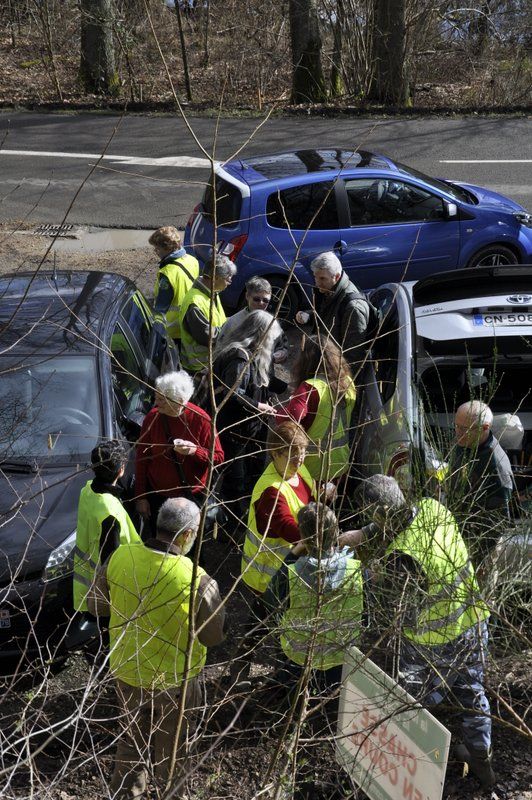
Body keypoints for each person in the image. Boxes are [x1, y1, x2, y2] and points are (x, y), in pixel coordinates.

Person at [351, 474, 494, 789]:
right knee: (472, 693)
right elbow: (397, 519)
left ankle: (408, 776)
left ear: (378, 514)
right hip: (473, 620)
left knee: (411, 705)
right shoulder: (432, 507)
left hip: (436, 641)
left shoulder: (403, 557)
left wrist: (370, 573)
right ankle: (479, 754)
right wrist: (363, 534)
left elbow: (395, 612)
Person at [88, 497, 225, 800]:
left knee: (129, 750)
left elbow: (96, 605)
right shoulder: (197, 579)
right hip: (175, 684)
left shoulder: (120, 557)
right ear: (188, 535)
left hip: (127, 673)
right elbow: (213, 637)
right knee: (173, 757)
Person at [264, 502, 364, 700]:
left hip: (299, 660)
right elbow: (366, 614)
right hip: (341, 656)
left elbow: (270, 601)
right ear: (336, 532)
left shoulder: (291, 574)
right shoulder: (357, 571)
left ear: (303, 537)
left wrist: (292, 555)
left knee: (296, 701)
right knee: (331, 704)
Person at [211, 309, 285, 523]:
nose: (273, 343)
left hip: (250, 428)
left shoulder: (254, 353)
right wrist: (259, 406)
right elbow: (232, 393)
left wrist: (291, 387)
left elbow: (264, 380)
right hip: (235, 429)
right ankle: (232, 523)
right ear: (261, 334)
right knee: (235, 479)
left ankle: (248, 513)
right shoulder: (238, 357)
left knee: (253, 470)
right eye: (271, 338)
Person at [135, 371, 224, 534]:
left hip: (190, 498)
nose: (156, 403)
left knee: (186, 541)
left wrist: (195, 451)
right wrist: (141, 496)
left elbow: (218, 458)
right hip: (158, 497)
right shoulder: (153, 418)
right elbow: (142, 457)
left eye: (161, 400)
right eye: (156, 397)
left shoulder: (202, 420)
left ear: (180, 402)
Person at [73, 441, 141, 645]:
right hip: (107, 585)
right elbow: (111, 560)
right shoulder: (110, 512)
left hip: (88, 576)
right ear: (121, 470)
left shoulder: (87, 490)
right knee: (110, 631)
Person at [241, 420, 318, 595]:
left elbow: (309, 496)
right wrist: (322, 538)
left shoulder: (297, 470)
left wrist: (322, 491)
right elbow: (286, 526)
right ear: (275, 453)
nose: (300, 460)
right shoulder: (271, 492)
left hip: (289, 570)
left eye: (303, 452)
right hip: (268, 579)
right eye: (292, 454)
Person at [279, 335, 356, 481]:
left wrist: (277, 412)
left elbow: (288, 421)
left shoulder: (310, 388)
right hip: (340, 462)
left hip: (311, 469)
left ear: (306, 359)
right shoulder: (348, 382)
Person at [447, 400, 514, 565]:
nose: (457, 432)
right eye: (456, 426)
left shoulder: (495, 468)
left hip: (479, 545)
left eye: (464, 429)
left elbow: (497, 524)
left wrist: (478, 559)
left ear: (485, 428)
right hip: (458, 533)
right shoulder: (466, 441)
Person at [295, 251, 375, 372]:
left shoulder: (353, 307)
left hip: (335, 374)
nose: (317, 283)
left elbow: (353, 356)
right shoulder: (329, 290)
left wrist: (340, 384)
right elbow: (328, 315)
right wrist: (310, 316)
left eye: (322, 278)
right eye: (315, 277)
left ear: (336, 277)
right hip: (324, 363)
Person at [177, 254, 236, 373]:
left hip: (211, 363)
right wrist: (233, 330)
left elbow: (218, 321)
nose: (230, 281)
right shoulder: (195, 303)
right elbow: (207, 337)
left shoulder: (212, 292)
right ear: (215, 278)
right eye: (227, 278)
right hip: (198, 368)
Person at [220, 276, 289, 363]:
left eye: (265, 300)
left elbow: (282, 345)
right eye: (256, 299)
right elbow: (220, 352)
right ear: (247, 296)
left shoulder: (272, 322)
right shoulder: (233, 322)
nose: (261, 303)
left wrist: (282, 353)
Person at [149, 226, 200, 342]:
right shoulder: (192, 260)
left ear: (167, 248)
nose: (155, 252)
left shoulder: (167, 275)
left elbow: (161, 308)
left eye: (157, 249)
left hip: (173, 331)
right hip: (191, 321)